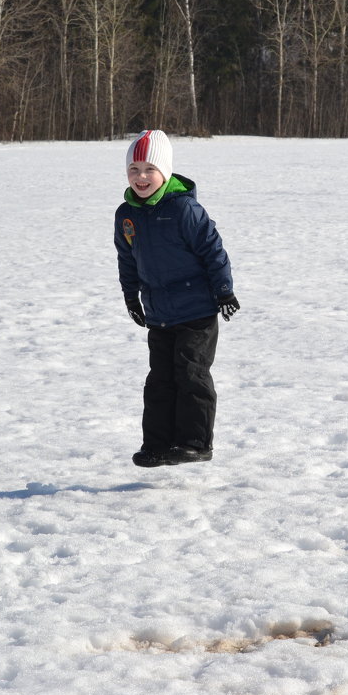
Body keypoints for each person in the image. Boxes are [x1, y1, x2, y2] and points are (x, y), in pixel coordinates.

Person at [115, 130, 239, 467]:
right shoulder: (126, 215)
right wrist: (131, 297)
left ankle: (195, 443)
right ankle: (157, 445)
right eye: (134, 170)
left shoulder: (185, 209)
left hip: (196, 310)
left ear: (165, 172)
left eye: (149, 169)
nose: (141, 177)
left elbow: (213, 251)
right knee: (159, 381)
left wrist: (224, 290)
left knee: (191, 375)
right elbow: (127, 260)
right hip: (159, 313)